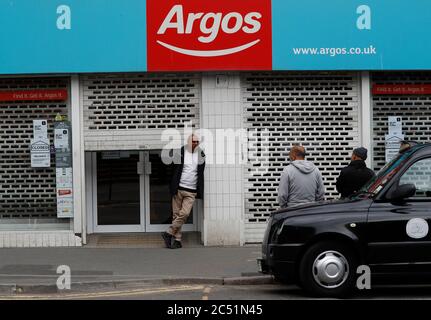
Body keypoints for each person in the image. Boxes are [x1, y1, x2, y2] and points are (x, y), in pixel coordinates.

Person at [162, 134, 205, 249]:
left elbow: (200, 173)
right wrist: (172, 185)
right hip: (179, 188)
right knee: (176, 215)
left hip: (191, 191)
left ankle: (168, 233)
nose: (196, 143)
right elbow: (172, 169)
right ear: (188, 142)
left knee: (184, 214)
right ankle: (177, 240)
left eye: (197, 141)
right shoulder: (180, 152)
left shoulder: (201, 154)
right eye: (193, 141)